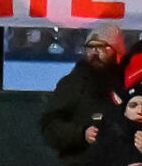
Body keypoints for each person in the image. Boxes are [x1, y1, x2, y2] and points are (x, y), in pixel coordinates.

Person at [40, 24, 129, 159]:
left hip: (119, 164)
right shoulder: (73, 83)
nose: (94, 52)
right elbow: (50, 125)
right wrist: (81, 133)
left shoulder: (128, 82)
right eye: (90, 47)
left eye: (102, 47)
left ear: (117, 52)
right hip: (80, 165)